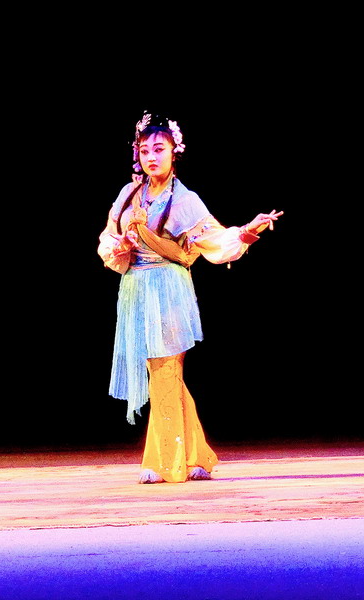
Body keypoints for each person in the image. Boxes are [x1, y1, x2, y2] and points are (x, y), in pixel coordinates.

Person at [97, 112, 282, 484]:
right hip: (135, 289)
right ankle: (198, 455)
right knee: (162, 373)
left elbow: (213, 240)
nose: (151, 157)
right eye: (145, 150)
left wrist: (246, 232)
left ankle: (163, 461)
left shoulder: (184, 200)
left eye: (159, 149)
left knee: (165, 370)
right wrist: (120, 246)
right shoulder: (129, 195)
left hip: (168, 288)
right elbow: (107, 239)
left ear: (173, 153)